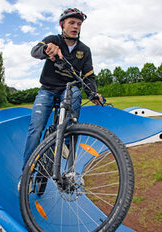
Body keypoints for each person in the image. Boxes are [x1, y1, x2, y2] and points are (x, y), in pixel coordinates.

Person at [22, 8, 103, 171]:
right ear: (62, 25)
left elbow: (88, 76)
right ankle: (26, 173)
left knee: (75, 94)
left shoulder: (84, 50)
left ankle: (65, 145)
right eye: (71, 23)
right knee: (35, 129)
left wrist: (93, 93)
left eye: (79, 24)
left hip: (69, 90)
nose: (76, 27)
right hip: (48, 90)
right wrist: (46, 49)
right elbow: (34, 51)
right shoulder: (53, 40)